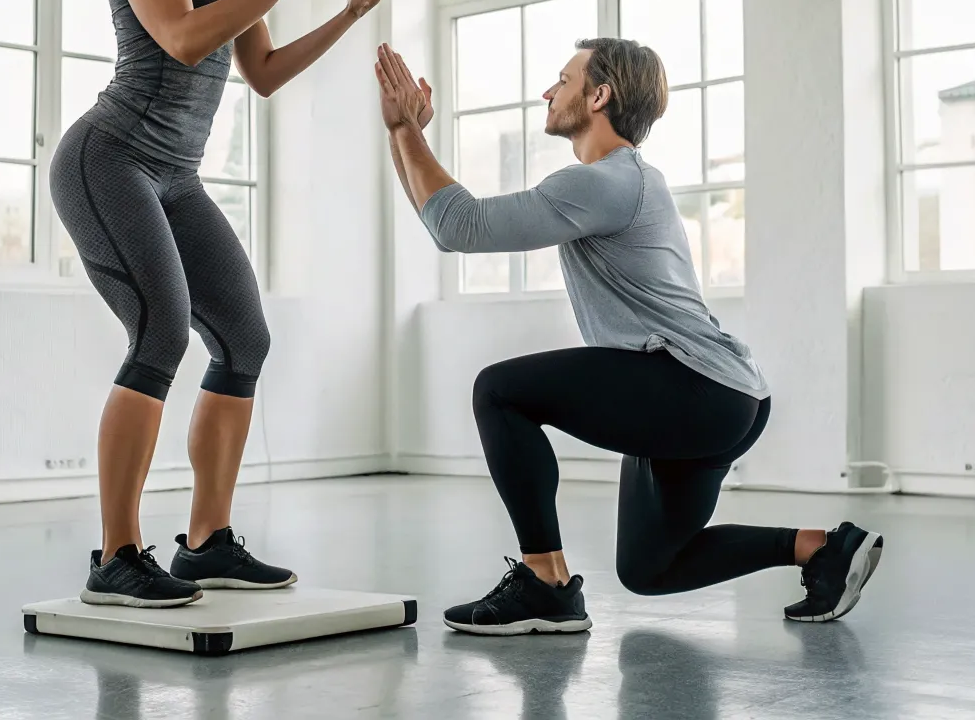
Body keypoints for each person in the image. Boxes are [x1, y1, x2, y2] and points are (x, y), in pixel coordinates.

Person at [372, 37, 884, 635]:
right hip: (726, 396)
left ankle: (545, 582)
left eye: (562, 80)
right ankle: (822, 550)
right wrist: (399, 131)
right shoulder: (617, 181)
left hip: (693, 387)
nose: (547, 91)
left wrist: (407, 129)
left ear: (599, 95)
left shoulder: (604, 182)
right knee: (650, 567)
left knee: (498, 390)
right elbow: (445, 227)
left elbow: (459, 226)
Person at [51, 0, 390, 608]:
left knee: (244, 337)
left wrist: (348, 11)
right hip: (111, 159)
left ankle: (205, 543)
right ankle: (116, 555)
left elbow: (264, 74)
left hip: (179, 175)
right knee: (162, 332)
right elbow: (182, 38)